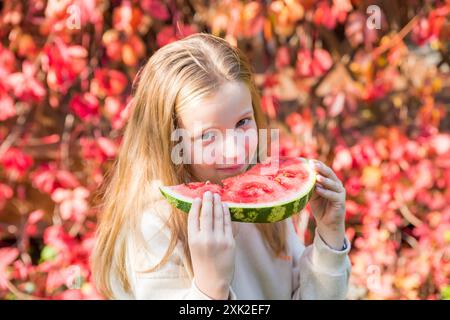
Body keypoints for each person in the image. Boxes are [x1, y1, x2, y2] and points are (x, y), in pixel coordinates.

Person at [91, 32, 351, 300]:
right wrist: (210, 286)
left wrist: (330, 240)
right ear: (168, 141)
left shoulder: (262, 202)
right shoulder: (154, 227)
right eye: (207, 136)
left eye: (242, 123)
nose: (234, 151)